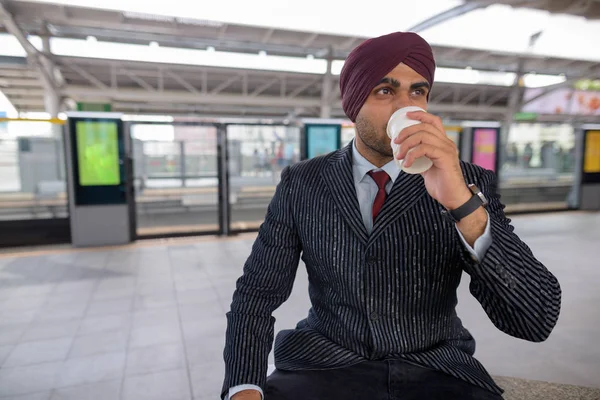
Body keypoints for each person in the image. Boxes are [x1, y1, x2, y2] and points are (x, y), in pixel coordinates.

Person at [222, 31, 561, 400]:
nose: (407, 107)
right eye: (385, 91)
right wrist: (244, 386)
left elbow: (535, 318)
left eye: (417, 92)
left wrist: (462, 205)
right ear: (354, 104)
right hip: (325, 363)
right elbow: (256, 294)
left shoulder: (467, 182)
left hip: (436, 368)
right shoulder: (303, 182)